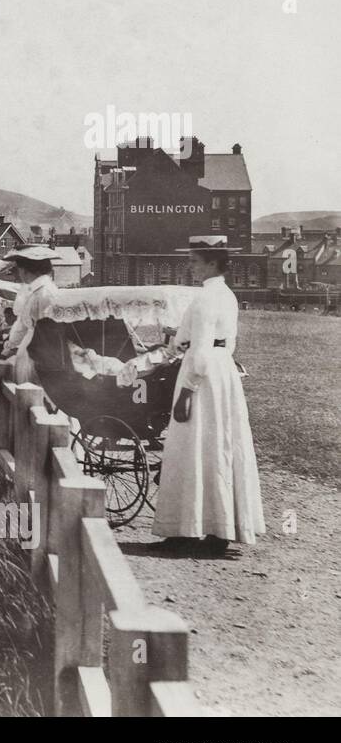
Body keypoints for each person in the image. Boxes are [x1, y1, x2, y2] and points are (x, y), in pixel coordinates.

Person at [151, 237, 265, 555]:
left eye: (195, 260)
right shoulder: (227, 295)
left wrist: (187, 390)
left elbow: (199, 351)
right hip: (223, 374)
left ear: (212, 263)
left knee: (192, 447)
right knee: (220, 447)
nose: (190, 265)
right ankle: (218, 529)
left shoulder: (205, 299)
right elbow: (227, 345)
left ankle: (186, 531)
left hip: (201, 377)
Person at [0, 246, 60, 383]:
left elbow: (46, 330)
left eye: (19, 268)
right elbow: (21, 325)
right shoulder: (33, 291)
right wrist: (7, 350)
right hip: (29, 350)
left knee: (28, 393)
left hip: (38, 356)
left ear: (25, 270)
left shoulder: (45, 293)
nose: (19, 273)